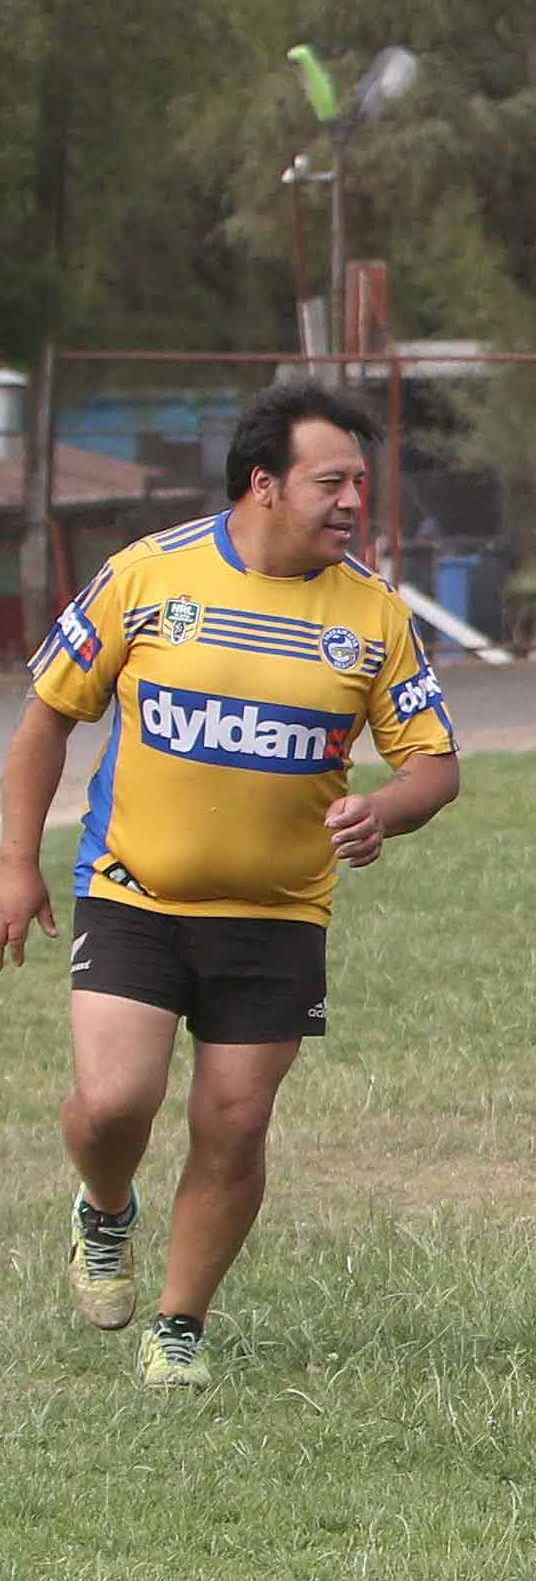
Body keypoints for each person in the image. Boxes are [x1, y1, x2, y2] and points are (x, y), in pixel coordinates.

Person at [0, 385, 461, 1390]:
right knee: (116, 1101)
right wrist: (13, 861)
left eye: (359, 485)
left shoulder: (373, 617)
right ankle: (106, 1205)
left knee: (235, 1122)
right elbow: (45, 716)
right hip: (134, 893)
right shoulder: (149, 575)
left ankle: (180, 1326)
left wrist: (386, 811)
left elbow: (434, 765)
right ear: (264, 482)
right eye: (331, 482)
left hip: (277, 913)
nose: (352, 502)